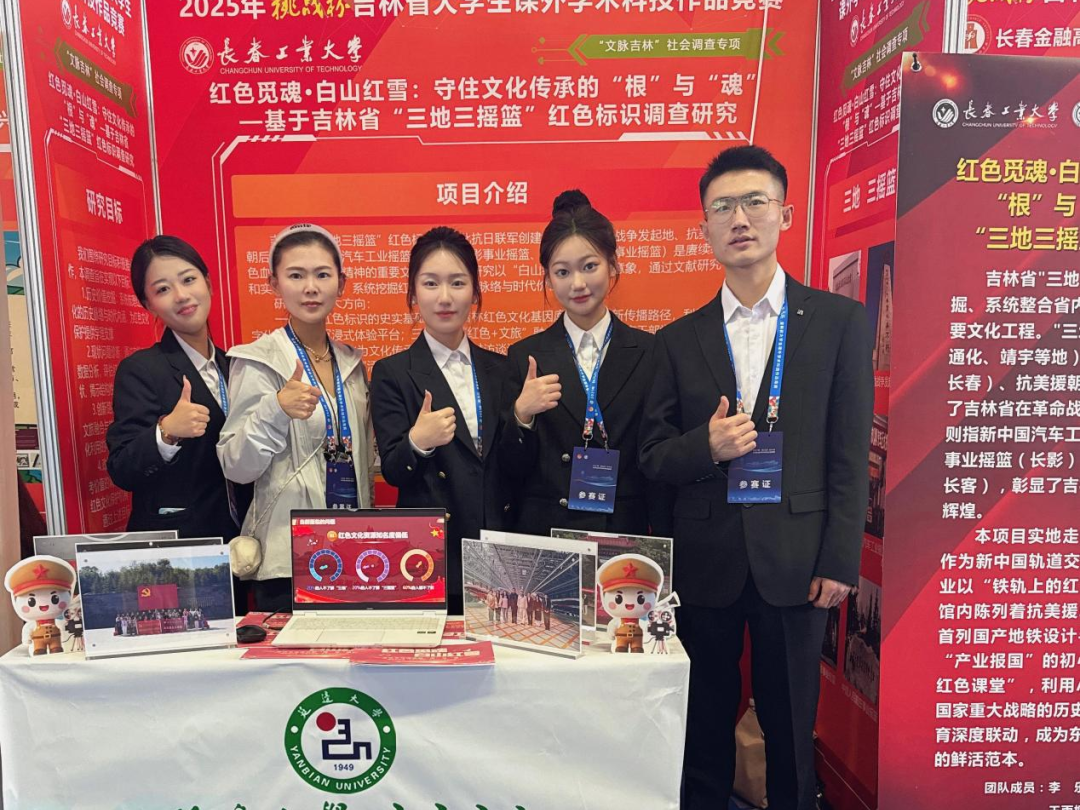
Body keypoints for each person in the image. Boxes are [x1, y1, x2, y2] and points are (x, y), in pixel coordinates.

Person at [639, 145, 874, 810]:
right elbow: (653, 456)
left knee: (792, 729)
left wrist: (840, 559)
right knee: (701, 728)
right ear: (705, 228)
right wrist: (706, 447)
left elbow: (848, 452)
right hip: (704, 564)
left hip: (798, 563)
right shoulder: (676, 340)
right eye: (723, 207)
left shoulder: (837, 323)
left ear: (784, 214)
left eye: (754, 202)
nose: (738, 219)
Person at [218, 224, 375, 612]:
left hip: (355, 549)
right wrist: (275, 409)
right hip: (288, 558)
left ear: (341, 283)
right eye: (295, 275)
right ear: (274, 284)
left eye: (322, 274)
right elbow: (236, 466)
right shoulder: (259, 360)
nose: (310, 288)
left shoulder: (352, 364)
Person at [500, 190, 671, 537]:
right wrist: (521, 416)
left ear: (612, 264)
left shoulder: (651, 350)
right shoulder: (525, 356)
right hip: (548, 532)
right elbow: (509, 469)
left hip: (623, 530)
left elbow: (658, 456)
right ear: (548, 277)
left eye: (589, 266)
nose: (577, 284)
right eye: (562, 272)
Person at [370, 227, 513, 616]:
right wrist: (418, 441)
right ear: (413, 293)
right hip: (432, 554)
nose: (445, 297)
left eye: (458, 283)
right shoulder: (393, 372)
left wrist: (524, 419)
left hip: (498, 550)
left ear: (475, 292)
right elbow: (394, 471)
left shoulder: (502, 369)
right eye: (431, 283)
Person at [106, 236, 251, 545]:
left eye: (188, 280)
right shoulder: (141, 369)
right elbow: (122, 469)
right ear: (148, 304)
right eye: (162, 289)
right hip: (183, 548)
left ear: (207, 283)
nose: (182, 296)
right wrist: (166, 432)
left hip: (245, 541)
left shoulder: (236, 366)